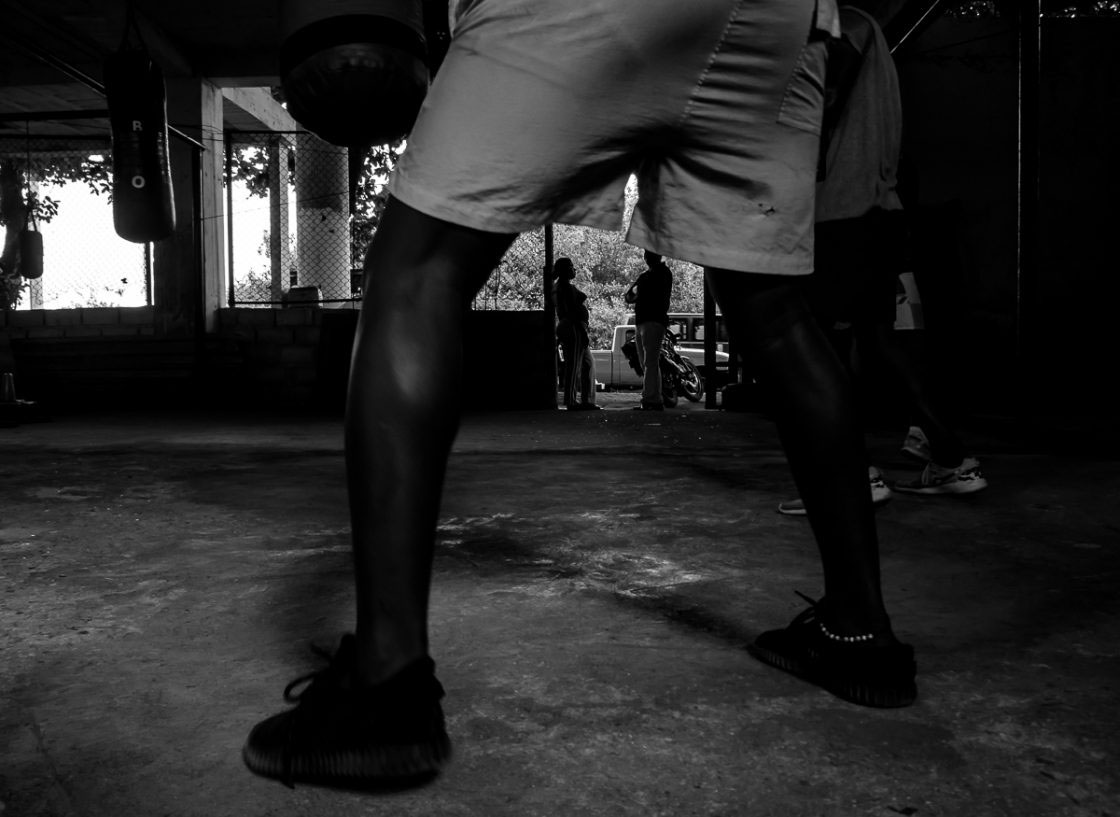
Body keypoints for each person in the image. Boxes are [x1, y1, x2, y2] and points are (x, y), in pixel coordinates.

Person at [242, 0, 916, 791]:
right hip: (772, 23)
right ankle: (860, 632)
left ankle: (386, 693)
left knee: (415, 274)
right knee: (775, 309)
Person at [783, 2, 986, 514]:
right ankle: (951, 457)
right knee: (876, 344)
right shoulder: (865, 29)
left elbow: (824, 98)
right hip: (874, 213)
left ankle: (850, 473)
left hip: (840, 213)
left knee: (820, 349)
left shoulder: (842, 26)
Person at [624, 251, 673, 411]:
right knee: (648, 362)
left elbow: (631, 296)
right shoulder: (656, 274)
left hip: (652, 320)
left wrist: (638, 288)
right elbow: (629, 296)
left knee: (649, 362)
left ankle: (649, 399)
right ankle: (654, 399)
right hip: (647, 321)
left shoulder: (657, 274)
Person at [552, 256, 600, 411]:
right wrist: (581, 330)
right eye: (572, 266)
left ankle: (587, 401)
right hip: (573, 327)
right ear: (565, 270)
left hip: (572, 327)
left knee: (587, 363)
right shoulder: (564, 287)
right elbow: (571, 311)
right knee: (574, 365)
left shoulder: (561, 286)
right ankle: (571, 401)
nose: (574, 269)